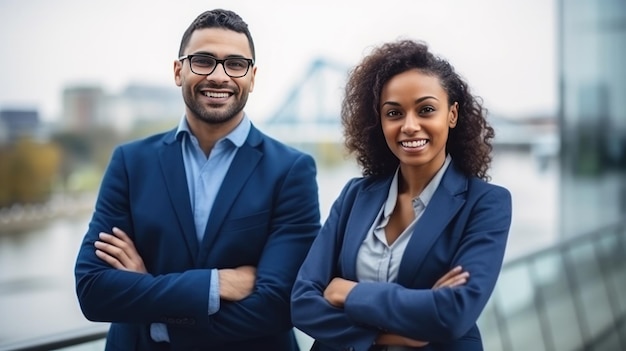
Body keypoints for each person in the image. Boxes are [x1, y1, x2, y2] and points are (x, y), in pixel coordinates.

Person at [74, 9, 321, 351]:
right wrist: (214, 284)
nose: (220, 76)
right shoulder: (130, 163)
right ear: (179, 71)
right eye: (203, 61)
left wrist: (152, 305)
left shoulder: (291, 171)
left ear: (252, 77)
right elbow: (93, 290)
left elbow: (278, 305)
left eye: (236, 64)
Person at [291, 39, 512, 351]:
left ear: (452, 114)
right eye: (394, 113)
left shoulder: (486, 203)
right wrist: (390, 332)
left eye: (426, 110)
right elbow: (302, 303)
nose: (409, 126)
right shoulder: (355, 196)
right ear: (379, 121)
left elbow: (452, 313)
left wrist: (348, 293)